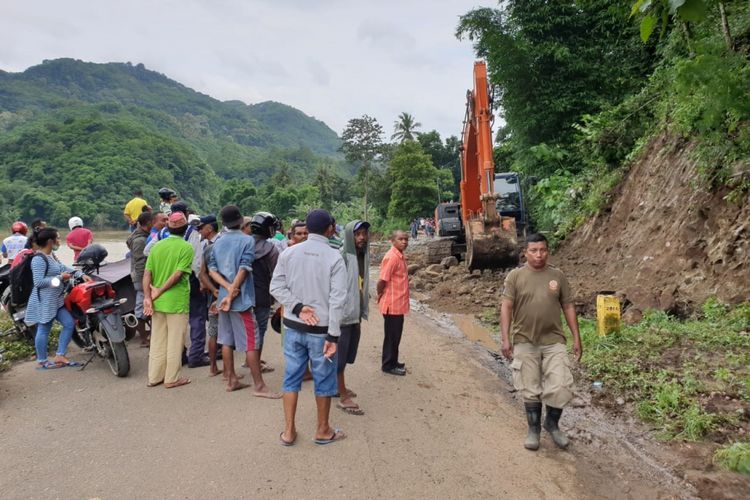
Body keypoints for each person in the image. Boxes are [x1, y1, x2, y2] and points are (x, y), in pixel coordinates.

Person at [270, 209, 348, 446]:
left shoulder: (290, 253)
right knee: (323, 379)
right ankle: (323, 430)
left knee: (291, 377)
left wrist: (297, 307)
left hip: (293, 326)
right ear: (330, 229)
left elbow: (276, 287)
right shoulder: (334, 257)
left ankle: (289, 431)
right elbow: (337, 300)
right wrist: (334, 336)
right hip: (321, 330)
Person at [500, 233, 582, 451]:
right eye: (534, 251)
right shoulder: (515, 277)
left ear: (548, 251)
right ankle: (533, 429)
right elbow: (506, 307)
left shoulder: (558, 276)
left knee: (562, 385)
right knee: (530, 388)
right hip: (525, 341)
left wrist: (576, 337)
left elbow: (568, 306)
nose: (539, 255)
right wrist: (506, 339)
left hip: (553, 340)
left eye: (543, 250)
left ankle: (552, 424)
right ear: (525, 252)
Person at [208, 205, 280, 398]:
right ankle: (259, 386)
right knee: (251, 342)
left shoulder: (218, 242)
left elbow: (212, 270)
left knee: (226, 339)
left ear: (222, 223)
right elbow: (244, 266)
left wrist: (226, 289)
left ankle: (231, 379)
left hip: (223, 299)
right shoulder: (247, 241)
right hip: (241, 301)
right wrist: (233, 290)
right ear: (241, 221)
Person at [24, 228, 91, 369]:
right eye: (58, 238)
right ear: (50, 241)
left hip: (57, 300)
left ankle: (60, 355)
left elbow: (62, 267)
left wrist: (79, 274)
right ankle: (42, 361)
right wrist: (60, 278)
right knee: (44, 329)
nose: (60, 241)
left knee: (69, 323)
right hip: (45, 302)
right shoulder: (38, 259)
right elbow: (39, 282)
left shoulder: (51, 255)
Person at [142, 212, 194, 389]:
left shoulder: (156, 246)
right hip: (176, 301)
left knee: (157, 339)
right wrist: (159, 292)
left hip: (157, 303)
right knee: (175, 341)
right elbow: (178, 275)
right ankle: (171, 379)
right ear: (186, 229)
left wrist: (149, 296)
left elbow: (147, 273)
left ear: (168, 228)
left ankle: (154, 377)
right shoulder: (186, 248)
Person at [336, 220, 370, 416]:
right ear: (350, 236)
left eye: (364, 234)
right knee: (340, 358)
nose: (362, 238)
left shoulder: (362, 256)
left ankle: (338, 387)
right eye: (357, 234)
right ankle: (342, 396)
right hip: (343, 316)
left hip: (354, 314)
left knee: (348, 354)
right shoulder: (342, 257)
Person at [246, 212, 280, 373]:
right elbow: (276, 274)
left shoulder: (243, 244)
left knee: (244, 331)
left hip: (242, 295)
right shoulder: (271, 250)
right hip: (262, 295)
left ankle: (246, 362)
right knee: (259, 330)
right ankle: (256, 364)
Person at [376, 230, 410, 376]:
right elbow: (382, 280)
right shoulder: (392, 257)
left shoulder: (399, 255)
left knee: (395, 335)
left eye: (406, 239)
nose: (404, 242)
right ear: (393, 241)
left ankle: (393, 361)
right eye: (400, 239)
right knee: (391, 336)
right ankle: (388, 365)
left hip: (398, 304)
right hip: (392, 304)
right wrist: (379, 294)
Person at [197, 215, 222, 377]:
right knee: (224, 333)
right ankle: (227, 371)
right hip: (225, 294)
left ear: (209, 228)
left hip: (216, 294)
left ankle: (214, 367)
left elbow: (202, 274)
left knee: (214, 332)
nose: (199, 230)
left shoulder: (210, 247)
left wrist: (212, 289)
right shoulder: (213, 246)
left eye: (201, 227)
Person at [126, 211, 153, 348]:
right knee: (142, 308)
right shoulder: (140, 240)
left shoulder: (138, 237)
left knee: (143, 306)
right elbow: (140, 263)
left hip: (141, 277)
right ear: (148, 224)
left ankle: (146, 336)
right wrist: (146, 281)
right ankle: (144, 338)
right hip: (141, 278)